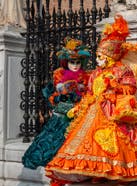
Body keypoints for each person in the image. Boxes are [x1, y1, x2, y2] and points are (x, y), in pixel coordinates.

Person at [44, 15, 137, 186]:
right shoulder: (96, 73)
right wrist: (79, 107)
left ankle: (114, 173)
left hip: (114, 111)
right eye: (98, 56)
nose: (98, 60)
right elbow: (91, 92)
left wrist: (114, 87)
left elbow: (130, 89)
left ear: (109, 56)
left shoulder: (122, 70)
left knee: (118, 141)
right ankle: (75, 176)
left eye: (100, 57)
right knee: (82, 143)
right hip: (93, 111)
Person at [22, 37, 91, 170]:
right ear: (67, 62)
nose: (75, 65)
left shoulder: (87, 78)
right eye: (72, 62)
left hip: (78, 115)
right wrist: (57, 99)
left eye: (78, 62)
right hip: (60, 116)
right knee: (51, 144)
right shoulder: (58, 76)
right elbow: (49, 94)